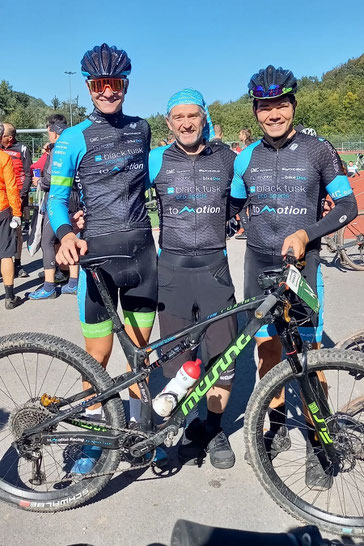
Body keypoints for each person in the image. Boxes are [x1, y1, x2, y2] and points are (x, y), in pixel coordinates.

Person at [231, 65, 358, 489]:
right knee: (268, 351)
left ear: (293, 105)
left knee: (308, 355)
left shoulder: (319, 150)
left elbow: (346, 207)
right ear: (255, 111)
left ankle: (321, 444)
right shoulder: (245, 157)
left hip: (303, 267)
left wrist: (307, 232)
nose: (273, 113)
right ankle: (276, 424)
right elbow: (230, 211)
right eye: (265, 106)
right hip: (258, 264)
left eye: (280, 104)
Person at [48, 43, 163, 472]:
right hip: (98, 258)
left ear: (126, 85)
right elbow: (57, 199)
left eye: (115, 83)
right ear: (89, 86)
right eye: (99, 84)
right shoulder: (73, 138)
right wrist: (64, 235)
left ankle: (140, 428)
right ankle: (94, 437)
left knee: (140, 354)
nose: (108, 91)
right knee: (96, 356)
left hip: (140, 255)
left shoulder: (144, 128)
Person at [149, 89, 244, 469]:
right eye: (178, 117)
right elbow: (120, 194)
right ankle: (187, 425)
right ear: (168, 122)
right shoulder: (155, 158)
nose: (186, 123)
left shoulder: (227, 159)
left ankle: (213, 427)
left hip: (214, 271)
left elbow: (247, 195)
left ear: (204, 117)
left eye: (193, 115)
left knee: (223, 359)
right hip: (170, 272)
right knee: (176, 360)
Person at [29, 114, 79, 300]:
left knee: (47, 241)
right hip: (75, 196)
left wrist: (39, 181)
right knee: (72, 236)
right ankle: (73, 282)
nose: (48, 135)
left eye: (48, 130)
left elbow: (50, 179)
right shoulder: (74, 146)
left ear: (53, 130)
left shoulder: (58, 150)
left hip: (59, 198)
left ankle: (49, 287)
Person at [1, 122, 32, 278]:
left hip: (17, 194)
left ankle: (18, 263)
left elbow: (28, 174)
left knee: (17, 230)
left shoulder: (22, 149)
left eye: (3, 135)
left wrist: (22, 195)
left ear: (9, 137)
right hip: (3, 197)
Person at [0, 123, 22, 310]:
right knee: (7, 253)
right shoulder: (4, 158)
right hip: (2, 209)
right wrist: (17, 213)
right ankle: (9, 297)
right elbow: (11, 188)